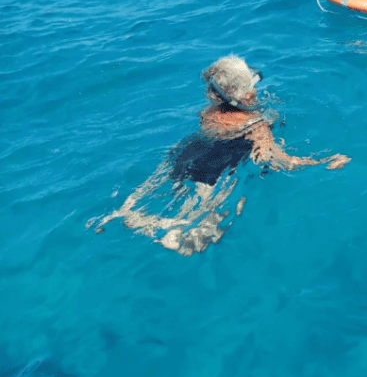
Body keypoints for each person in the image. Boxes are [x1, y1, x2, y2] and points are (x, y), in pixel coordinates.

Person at [89, 56, 349, 256]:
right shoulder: (255, 123)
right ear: (245, 95)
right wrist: (323, 161)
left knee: (158, 191)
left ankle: (124, 214)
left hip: (185, 154)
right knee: (212, 224)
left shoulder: (207, 113)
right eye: (251, 85)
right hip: (218, 168)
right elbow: (279, 160)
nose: (255, 90)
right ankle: (173, 236)